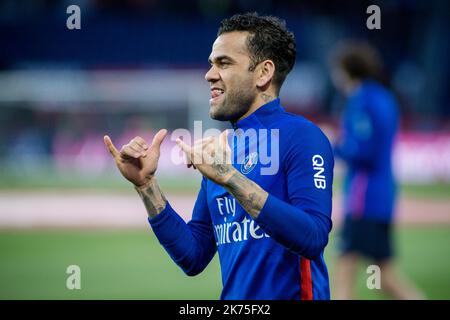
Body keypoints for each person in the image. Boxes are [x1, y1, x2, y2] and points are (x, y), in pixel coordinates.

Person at [104, 12, 334, 300]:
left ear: (263, 73)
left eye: (224, 63)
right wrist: (146, 185)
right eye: (212, 63)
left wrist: (230, 178)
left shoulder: (301, 137)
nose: (209, 74)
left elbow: (313, 237)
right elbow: (194, 256)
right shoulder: (223, 152)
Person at [330, 41, 424, 299]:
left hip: (364, 197)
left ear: (346, 71)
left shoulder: (361, 101)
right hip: (382, 195)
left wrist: (332, 147)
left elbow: (363, 151)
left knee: (345, 270)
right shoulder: (384, 97)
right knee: (385, 276)